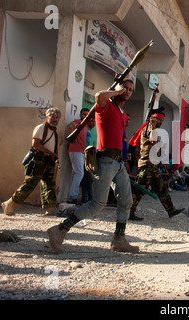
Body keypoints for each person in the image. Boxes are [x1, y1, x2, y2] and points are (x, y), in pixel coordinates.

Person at [47, 79, 139, 254]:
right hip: (105, 161)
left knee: (126, 201)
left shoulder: (122, 112)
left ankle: (119, 239)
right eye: (124, 88)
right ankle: (59, 230)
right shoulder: (106, 107)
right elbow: (99, 96)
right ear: (117, 88)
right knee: (97, 204)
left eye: (130, 90)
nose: (127, 92)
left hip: (118, 163)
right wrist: (116, 91)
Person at [2, 108, 61, 215]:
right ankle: (9, 203)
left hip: (49, 161)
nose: (55, 119)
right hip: (39, 160)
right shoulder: (41, 128)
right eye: (53, 117)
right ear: (47, 117)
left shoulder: (54, 131)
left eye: (57, 117)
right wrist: (52, 153)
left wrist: (54, 155)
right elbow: (36, 144)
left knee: (49, 185)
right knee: (29, 184)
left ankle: (50, 209)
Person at [127, 111, 184, 221]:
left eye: (162, 120)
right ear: (153, 119)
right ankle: (129, 212)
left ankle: (171, 210)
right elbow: (153, 141)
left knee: (161, 189)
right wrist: (152, 125)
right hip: (146, 166)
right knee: (139, 191)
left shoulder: (152, 129)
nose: (161, 122)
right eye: (159, 120)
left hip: (152, 165)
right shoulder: (149, 128)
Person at [66, 108, 94, 205]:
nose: (85, 116)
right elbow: (70, 126)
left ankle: (71, 196)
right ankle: (72, 197)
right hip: (76, 151)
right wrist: (73, 138)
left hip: (80, 152)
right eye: (84, 114)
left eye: (87, 114)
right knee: (79, 174)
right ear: (80, 115)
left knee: (76, 174)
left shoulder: (85, 126)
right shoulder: (78, 122)